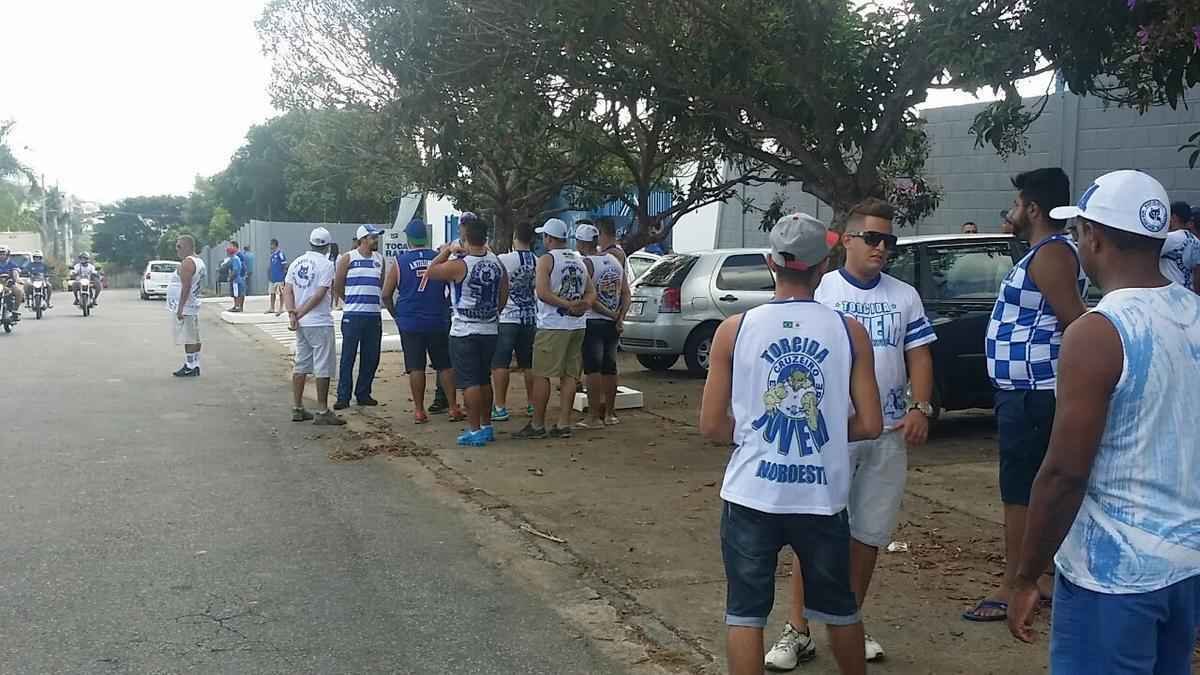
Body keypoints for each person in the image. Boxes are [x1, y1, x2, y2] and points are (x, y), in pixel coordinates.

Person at [1007, 170, 1200, 672]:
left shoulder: (1099, 332)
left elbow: (1063, 473)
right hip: (1185, 564)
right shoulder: (1194, 313)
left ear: (1092, 236)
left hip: (1113, 575)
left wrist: (1026, 575)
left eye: (1078, 233)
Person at [699, 212, 882, 675]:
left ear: (769, 262)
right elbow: (871, 423)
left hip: (751, 493)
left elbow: (711, 426)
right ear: (825, 265)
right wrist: (821, 436)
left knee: (745, 613)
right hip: (820, 497)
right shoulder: (848, 330)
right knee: (840, 608)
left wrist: (752, 437)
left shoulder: (733, 330)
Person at [766, 199, 937, 667]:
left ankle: (849, 621)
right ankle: (796, 628)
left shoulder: (904, 296)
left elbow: (919, 354)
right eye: (874, 238)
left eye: (890, 241)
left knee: (867, 534)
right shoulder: (821, 292)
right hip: (828, 436)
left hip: (886, 434)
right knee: (814, 531)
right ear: (846, 241)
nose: (882, 248)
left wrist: (920, 406)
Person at [964, 168, 1088, 622]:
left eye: (1016, 204)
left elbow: (1074, 319)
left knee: (1020, 492)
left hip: (1034, 394)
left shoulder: (1052, 255)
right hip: (1024, 394)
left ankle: (1016, 584)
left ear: (1033, 209)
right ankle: (1042, 577)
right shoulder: (1043, 253)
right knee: (1029, 487)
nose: (1012, 212)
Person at [427, 215, 508, 446]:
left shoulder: (459, 265)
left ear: (465, 238)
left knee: (470, 382)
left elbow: (431, 272)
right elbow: (505, 289)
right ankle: (486, 425)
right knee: (484, 379)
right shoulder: (496, 262)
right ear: (486, 237)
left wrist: (446, 251)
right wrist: (495, 312)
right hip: (490, 327)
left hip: (464, 329)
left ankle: (474, 430)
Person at [513, 218, 595, 440]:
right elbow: (591, 291)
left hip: (553, 325)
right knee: (569, 375)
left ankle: (538, 424)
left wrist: (568, 305)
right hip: (577, 325)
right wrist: (582, 305)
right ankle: (563, 423)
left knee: (542, 375)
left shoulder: (546, 260)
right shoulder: (578, 260)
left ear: (548, 238)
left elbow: (542, 292)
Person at [383, 218, 463, 424]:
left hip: (410, 320)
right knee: (444, 365)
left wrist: (396, 315)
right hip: (437, 318)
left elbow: (386, 294)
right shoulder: (439, 258)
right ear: (425, 238)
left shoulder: (399, 262)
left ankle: (419, 410)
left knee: (415, 367)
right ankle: (453, 407)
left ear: (408, 239)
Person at [284, 227, 345, 426]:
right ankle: (322, 409)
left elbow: (287, 290)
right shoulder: (326, 265)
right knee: (322, 366)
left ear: (310, 243)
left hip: (301, 323)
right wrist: (299, 313)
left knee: (301, 363)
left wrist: (293, 313)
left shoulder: (296, 263)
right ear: (327, 245)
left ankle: (297, 407)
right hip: (318, 321)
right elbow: (319, 295)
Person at [576, 222, 630, 429]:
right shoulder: (614, 260)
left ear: (582, 243)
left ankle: (594, 416)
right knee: (610, 367)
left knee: (593, 369)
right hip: (612, 324)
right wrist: (620, 317)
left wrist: (610, 313)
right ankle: (610, 413)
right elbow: (626, 292)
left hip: (594, 320)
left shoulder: (586, 263)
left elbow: (590, 298)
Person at [332, 225, 385, 410]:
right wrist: (350, 301)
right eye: (373, 237)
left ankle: (363, 393)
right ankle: (343, 396)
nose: (376, 240)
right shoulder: (348, 258)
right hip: (353, 315)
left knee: (371, 357)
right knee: (348, 356)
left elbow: (380, 284)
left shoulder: (380, 260)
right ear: (363, 239)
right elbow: (338, 285)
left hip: (373, 315)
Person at [491, 221, 539, 422]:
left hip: (507, 317)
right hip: (530, 317)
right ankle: (532, 404)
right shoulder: (538, 260)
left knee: (500, 363)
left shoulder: (503, 259)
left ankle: (500, 406)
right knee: (529, 364)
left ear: (514, 237)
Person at [168, 235, 208, 377]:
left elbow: (186, 286)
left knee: (188, 338)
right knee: (193, 337)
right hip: (192, 304)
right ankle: (194, 363)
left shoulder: (188, 263)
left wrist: (180, 308)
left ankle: (190, 366)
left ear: (187, 246)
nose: (177, 249)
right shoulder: (199, 262)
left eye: (179, 246)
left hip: (187, 306)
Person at [1161, 202, 1200, 293]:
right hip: (1188, 293)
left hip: (1171, 293)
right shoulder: (1197, 241)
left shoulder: (1169, 238)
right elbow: (1197, 274)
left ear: (1174, 217)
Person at [0, 246, 25, 312]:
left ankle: (15, 311)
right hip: (0, 285)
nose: (1, 256)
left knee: (19, 292)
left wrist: (17, 279)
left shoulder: (11, 263)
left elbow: (16, 271)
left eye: (3, 254)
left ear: (7, 254)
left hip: (9, 284)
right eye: (0, 254)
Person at [267, 238, 288, 315]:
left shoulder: (280, 253)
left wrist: (283, 275)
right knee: (272, 293)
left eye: (271, 244)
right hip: (272, 278)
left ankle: (281, 308)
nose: (270, 246)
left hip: (279, 278)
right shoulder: (272, 255)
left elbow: (284, 264)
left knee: (281, 293)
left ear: (275, 245)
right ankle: (272, 307)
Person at [225, 244, 245, 312]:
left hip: (236, 279)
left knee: (237, 293)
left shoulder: (234, 259)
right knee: (236, 293)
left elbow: (235, 270)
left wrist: (230, 277)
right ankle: (236, 306)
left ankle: (237, 306)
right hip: (236, 279)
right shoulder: (234, 258)